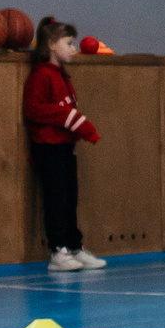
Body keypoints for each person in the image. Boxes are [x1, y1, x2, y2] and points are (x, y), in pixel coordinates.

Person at [22, 17, 106, 272]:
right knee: (56, 199)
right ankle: (58, 251)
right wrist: (71, 118)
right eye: (68, 43)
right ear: (50, 44)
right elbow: (33, 109)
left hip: (65, 148)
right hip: (48, 148)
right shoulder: (41, 76)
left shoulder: (63, 76)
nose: (73, 48)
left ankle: (74, 247)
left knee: (70, 199)